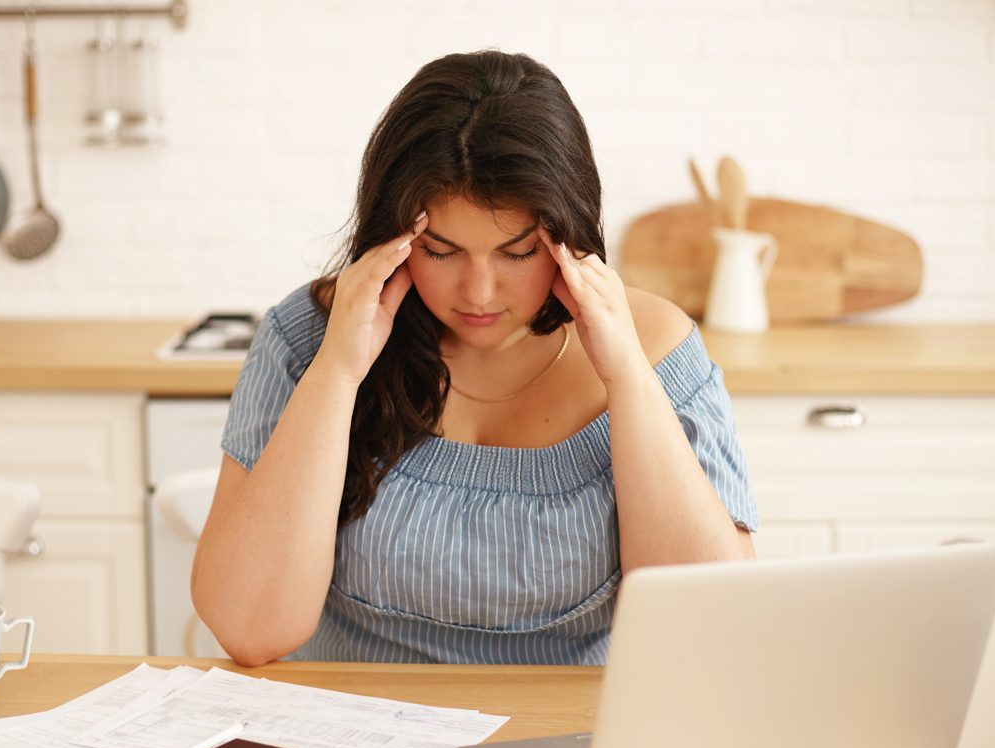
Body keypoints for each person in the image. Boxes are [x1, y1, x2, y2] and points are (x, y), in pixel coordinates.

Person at [191, 49, 759, 667]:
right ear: (391, 238)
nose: (479, 294)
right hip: (353, 736)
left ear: (570, 236)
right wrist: (337, 372)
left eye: (517, 254)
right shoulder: (308, 339)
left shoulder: (654, 345)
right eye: (440, 251)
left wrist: (626, 375)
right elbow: (250, 629)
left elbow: (712, 634)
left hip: (570, 746)